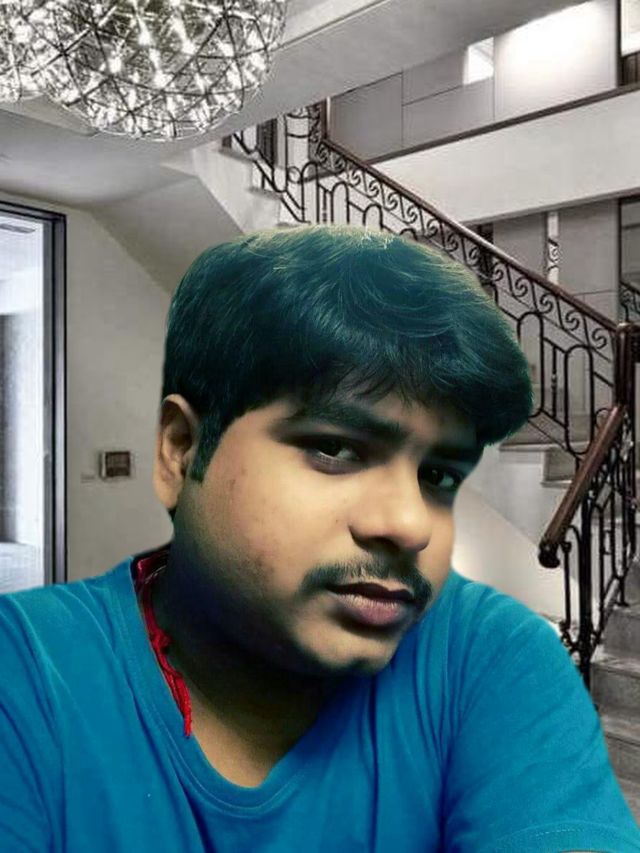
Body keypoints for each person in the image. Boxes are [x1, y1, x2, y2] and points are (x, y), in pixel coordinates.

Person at [1, 225, 638, 853]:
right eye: (334, 449)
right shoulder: (26, 676)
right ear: (181, 450)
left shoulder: (490, 655)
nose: (410, 524)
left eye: (438, 476)